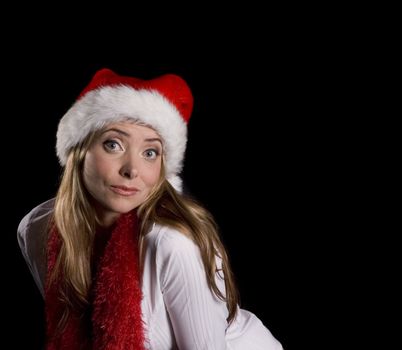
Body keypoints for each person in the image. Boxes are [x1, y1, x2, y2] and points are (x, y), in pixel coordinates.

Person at [17, 68, 283, 349]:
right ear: (78, 151)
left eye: (150, 153)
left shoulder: (172, 243)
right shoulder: (37, 229)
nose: (132, 170)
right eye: (113, 144)